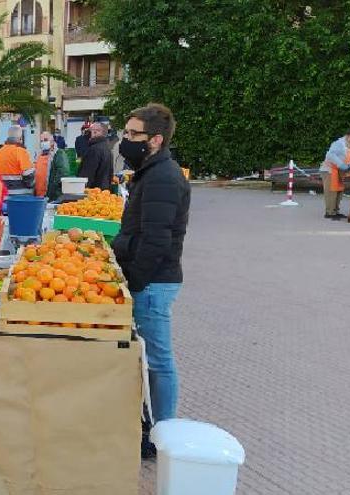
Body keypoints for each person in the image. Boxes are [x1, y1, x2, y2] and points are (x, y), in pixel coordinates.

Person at [111, 103, 190, 441]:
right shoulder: (151, 172)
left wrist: (134, 281)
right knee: (150, 356)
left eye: (133, 134)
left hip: (153, 282)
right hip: (149, 279)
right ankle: (152, 421)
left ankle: (163, 432)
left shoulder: (162, 178)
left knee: (158, 359)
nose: (126, 140)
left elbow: (156, 240)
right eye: (125, 133)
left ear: (155, 139)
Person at [320, 130, 350, 219]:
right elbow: (330, 155)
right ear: (349, 136)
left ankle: (335, 211)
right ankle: (329, 213)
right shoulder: (339, 143)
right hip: (329, 170)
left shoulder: (347, 145)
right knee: (331, 192)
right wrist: (341, 165)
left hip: (339, 172)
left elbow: (345, 158)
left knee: (339, 191)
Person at [0, 125, 35, 194]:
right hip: (19, 193)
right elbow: (28, 175)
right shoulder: (21, 151)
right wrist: (31, 186)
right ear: (20, 138)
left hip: (2, 192)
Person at [78, 122, 115, 190]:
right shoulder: (107, 147)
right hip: (104, 190)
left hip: (94, 193)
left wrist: (81, 189)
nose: (88, 134)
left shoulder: (94, 149)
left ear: (96, 132)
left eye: (90, 130)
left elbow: (87, 175)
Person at [34, 132, 56, 197]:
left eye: (46, 140)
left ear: (52, 142)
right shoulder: (38, 155)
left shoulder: (56, 155)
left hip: (49, 195)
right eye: (41, 141)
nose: (43, 142)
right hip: (38, 194)